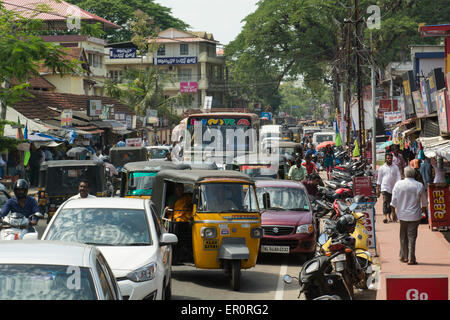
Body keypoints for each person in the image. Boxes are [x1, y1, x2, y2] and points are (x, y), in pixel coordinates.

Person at [390, 166, 427, 265]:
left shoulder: (398, 184)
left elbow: (393, 201)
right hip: (415, 215)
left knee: (403, 236)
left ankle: (404, 256)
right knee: (412, 236)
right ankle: (411, 258)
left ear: (404, 174)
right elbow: (424, 202)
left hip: (402, 215)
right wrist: (422, 211)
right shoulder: (419, 185)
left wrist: (393, 213)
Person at [376, 153, 401, 224]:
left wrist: (399, 185)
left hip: (393, 188)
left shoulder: (395, 167)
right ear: (385, 159)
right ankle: (385, 216)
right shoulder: (382, 168)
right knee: (385, 201)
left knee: (391, 202)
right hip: (385, 187)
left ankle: (390, 215)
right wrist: (378, 188)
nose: (389, 159)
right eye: (387, 158)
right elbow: (379, 179)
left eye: (390, 158)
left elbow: (398, 177)